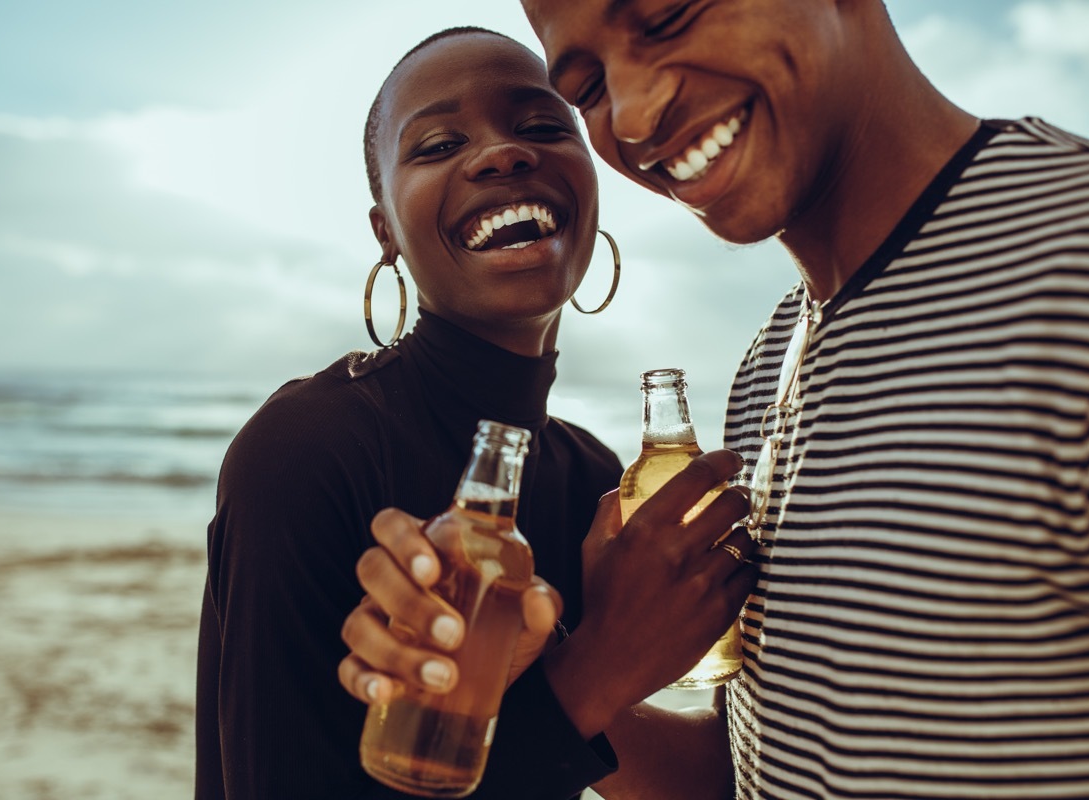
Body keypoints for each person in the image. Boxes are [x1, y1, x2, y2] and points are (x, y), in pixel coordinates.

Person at [339, 1, 1089, 798]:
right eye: (589, 87)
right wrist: (543, 662)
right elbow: (760, 770)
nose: (631, 115)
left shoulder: (1069, 260)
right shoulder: (769, 362)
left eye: (666, 17)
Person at [194, 25, 757, 800]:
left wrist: (576, 660)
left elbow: (702, 785)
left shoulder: (592, 481)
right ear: (385, 230)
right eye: (436, 145)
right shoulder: (307, 452)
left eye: (541, 127)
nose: (502, 154)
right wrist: (595, 669)